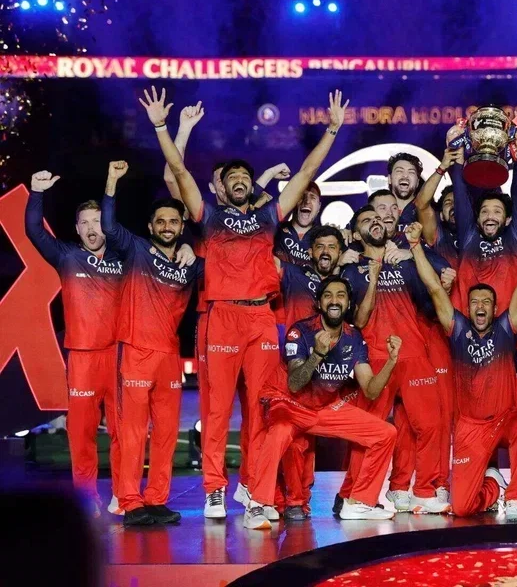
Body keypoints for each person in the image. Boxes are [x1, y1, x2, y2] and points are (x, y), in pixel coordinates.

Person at [142, 86, 349, 517]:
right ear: (222, 187)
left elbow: (307, 173)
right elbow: (178, 171)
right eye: (231, 176)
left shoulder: (269, 215)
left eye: (243, 176)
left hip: (261, 318)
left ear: (250, 186)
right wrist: (163, 126)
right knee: (216, 410)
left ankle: (254, 488)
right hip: (221, 317)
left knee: (263, 408)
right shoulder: (209, 217)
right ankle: (215, 488)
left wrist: (331, 129)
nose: (238, 180)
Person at [406, 219, 517, 520]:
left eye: (486, 302)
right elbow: (433, 287)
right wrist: (416, 246)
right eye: (474, 302)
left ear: (495, 309)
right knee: (462, 508)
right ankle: (494, 487)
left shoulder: (507, 328)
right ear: (467, 308)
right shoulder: (456, 329)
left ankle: (516, 498)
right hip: (470, 427)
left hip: (505, 419)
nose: (480, 306)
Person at [245, 276, 401, 528]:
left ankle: (358, 502)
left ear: (349, 303)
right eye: (328, 295)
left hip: (323, 407)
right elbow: (295, 383)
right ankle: (256, 505)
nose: (334, 300)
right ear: (319, 303)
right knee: (281, 431)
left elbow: (371, 391)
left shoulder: (354, 337)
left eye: (341, 295)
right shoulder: (301, 331)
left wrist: (392, 362)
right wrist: (317, 354)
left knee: (385, 433)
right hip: (287, 401)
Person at [101, 161, 202, 526]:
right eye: (160, 221)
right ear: (150, 227)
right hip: (136, 350)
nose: (166, 226)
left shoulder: (191, 263)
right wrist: (112, 180)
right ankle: (129, 501)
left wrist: (193, 250)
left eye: (173, 222)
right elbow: (109, 227)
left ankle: (156, 498)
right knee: (132, 431)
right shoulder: (137, 250)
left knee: (166, 432)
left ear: (180, 227)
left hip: (169, 356)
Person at [336, 206, 450, 514]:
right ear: (357, 235)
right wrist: (366, 271)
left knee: (428, 426)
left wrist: (412, 257)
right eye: (365, 219)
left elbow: (430, 302)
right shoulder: (351, 270)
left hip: (414, 354)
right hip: (376, 357)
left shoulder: (405, 263)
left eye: (377, 218)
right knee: (370, 431)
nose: (374, 222)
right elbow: (356, 322)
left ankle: (419, 491)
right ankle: (357, 496)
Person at [25, 171, 126, 517]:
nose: (92, 227)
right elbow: (34, 232)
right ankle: (87, 498)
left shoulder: (123, 258)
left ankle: (123, 495)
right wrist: (37, 193)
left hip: (118, 357)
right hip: (81, 359)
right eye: (85, 222)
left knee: (121, 431)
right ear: (77, 229)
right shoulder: (66, 257)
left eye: (98, 220)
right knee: (80, 434)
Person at [271, 224, 345, 521]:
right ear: (310, 251)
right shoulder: (292, 274)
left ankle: (303, 496)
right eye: (319, 246)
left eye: (332, 247)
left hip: (331, 374)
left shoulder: (345, 282)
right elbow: (256, 248)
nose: (325, 252)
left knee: (312, 440)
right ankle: (291, 499)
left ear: (340, 252)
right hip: (296, 366)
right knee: (294, 438)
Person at [450, 113, 517, 315]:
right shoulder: (468, 237)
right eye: (484, 212)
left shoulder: (515, 239)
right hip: (468, 335)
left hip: (509, 331)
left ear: (508, 219)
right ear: (476, 220)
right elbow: (460, 196)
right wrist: (458, 159)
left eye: (497, 212)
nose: (490, 216)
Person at [274, 183, 323, 267]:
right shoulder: (274, 229)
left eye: (313, 197)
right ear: (292, 202)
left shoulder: (325, 237)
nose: (307, 201)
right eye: (301, 196)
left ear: (319, 207)